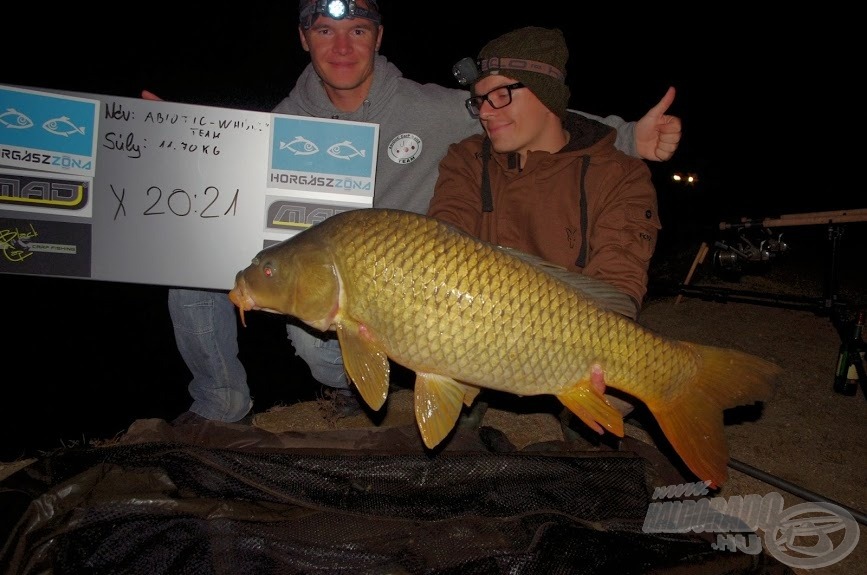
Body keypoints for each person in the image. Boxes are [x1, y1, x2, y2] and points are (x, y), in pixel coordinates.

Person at [160, 0, 682, 422]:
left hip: (432, 282)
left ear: (378, 37)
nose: (342, 47)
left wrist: (631, 135)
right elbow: (217, 181)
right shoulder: (280, 125)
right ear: (304, 38)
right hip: (345, 273)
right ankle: (222, 401)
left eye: (359, 31)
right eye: (324, 31)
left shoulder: (432, 109)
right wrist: (172, 144)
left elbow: (533, 107)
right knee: (263, 305)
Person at [427, 26, 661, 415]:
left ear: (547, 94)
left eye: (501, 95)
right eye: (480, 101)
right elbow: (445, 238)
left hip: (568, 341)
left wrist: (606, 353)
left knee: (617, 400)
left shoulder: (620, 174)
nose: (485, 112)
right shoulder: (466, 159)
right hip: (474, 331)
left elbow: (619, 276)